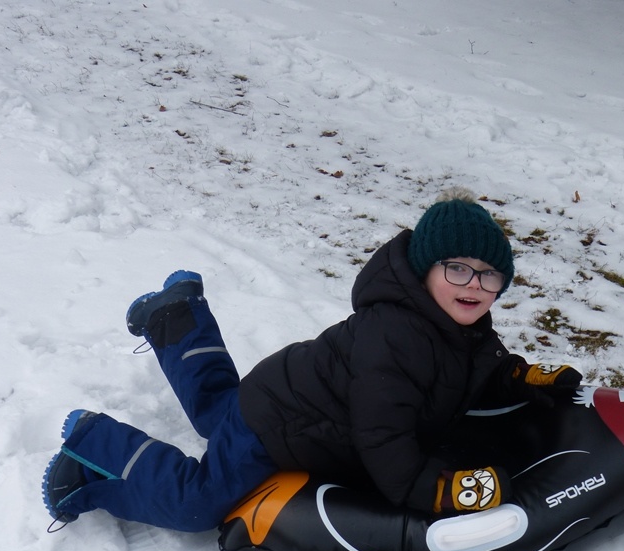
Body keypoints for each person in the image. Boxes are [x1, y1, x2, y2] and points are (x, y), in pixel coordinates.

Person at [42, 187, 582, 532]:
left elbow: (474, 370)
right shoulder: (395, 341)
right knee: (199, 502)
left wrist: (520, 378)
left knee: (215, 410)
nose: (474, 286)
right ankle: (93, 449)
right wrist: (440, 490)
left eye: (489, 275)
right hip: (277, 429)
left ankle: (175, 315)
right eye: (457, 268)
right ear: (425, 270)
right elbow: (383, 442)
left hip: (282, 391)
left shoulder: (457, 324)